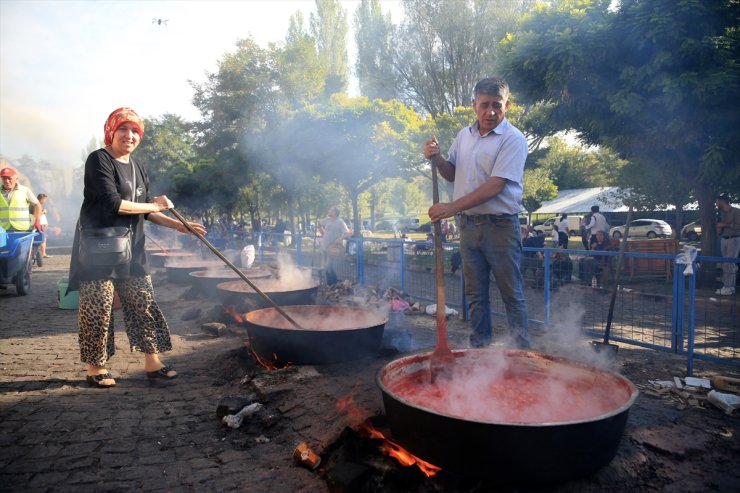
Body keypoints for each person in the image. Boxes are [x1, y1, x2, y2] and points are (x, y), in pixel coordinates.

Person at [69, 107, 206, 388]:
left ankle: (152, 362)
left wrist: (180, 226)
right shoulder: (99, 160)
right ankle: (96, 367)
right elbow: (115, 203)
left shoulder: (138, 167)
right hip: (100, 250)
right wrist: (155, 205)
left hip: (134, 250)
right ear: (111, 131)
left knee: (143, 303)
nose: (129, 136)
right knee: (99, 308)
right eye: (123, 129)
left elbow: (145, 211)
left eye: (135, 131)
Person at [424, 77, 529, 349]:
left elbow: (496, 185)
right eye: (485, 105)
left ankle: (521, 354)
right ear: (474, 105)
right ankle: (480, 351)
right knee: (476, 295)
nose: (490, 112)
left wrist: (452, 207)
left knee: (511, 294)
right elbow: (451, 173)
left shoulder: (513, 139)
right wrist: (436, 159)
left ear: (508, 105)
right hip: (469, 227)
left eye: (497, 105)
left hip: (501, 226)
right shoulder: (463, 136)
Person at [0, 167, 41, 232]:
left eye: (9, 178)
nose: (7, 181)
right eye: (4, 178)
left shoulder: (24, 190)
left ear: (16, 179)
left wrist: (37, 221)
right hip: (3, 230)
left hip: (21, 230)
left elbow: (37, 204)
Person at [715, 194, 740, 296]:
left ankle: (728, 287)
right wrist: (719, 228)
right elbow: (719, 227)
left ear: (723, 201)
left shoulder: (736, 211)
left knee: (730, 263)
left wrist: (724, 225)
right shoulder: (720, 213)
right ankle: (729, 286)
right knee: (726, 263)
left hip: (733, 238)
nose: (716, 203)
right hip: (724, 239)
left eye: (717, 201)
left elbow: (738, 226)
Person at [319, 205, 349, 286]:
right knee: (325, 267)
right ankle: (330, 285)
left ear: (335, 212)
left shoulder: (340, 221)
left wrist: (339, 239)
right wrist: (322, 232)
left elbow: (347, 233)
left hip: (333, 248)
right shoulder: (327, 220)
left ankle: (335, 284)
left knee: (329, 266)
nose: (328, 211)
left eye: (330, 210)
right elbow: (319, 224)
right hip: (324, 246)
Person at [37, 193, 50, 257]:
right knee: (43, 239)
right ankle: (43, 253)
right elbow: (37, 214)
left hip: (43, 225)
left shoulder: (39, 205)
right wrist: (43, 212)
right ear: (41, 199)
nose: (45, 201)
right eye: (44, 199)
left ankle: (43, 253)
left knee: (44, 238)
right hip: (41, 225)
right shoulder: (37, 205)